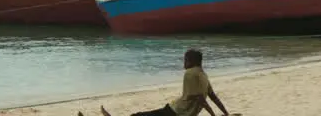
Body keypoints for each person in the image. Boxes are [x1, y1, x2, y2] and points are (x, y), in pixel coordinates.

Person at [96, 49, 230, 116]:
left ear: (191, 61)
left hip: (175, 111)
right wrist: (225, 113)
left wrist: (212, 115)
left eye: (185, 60)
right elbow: (213, 97)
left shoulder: (189, 73)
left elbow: (199, 98)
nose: (184, 63)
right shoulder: (203, 75)